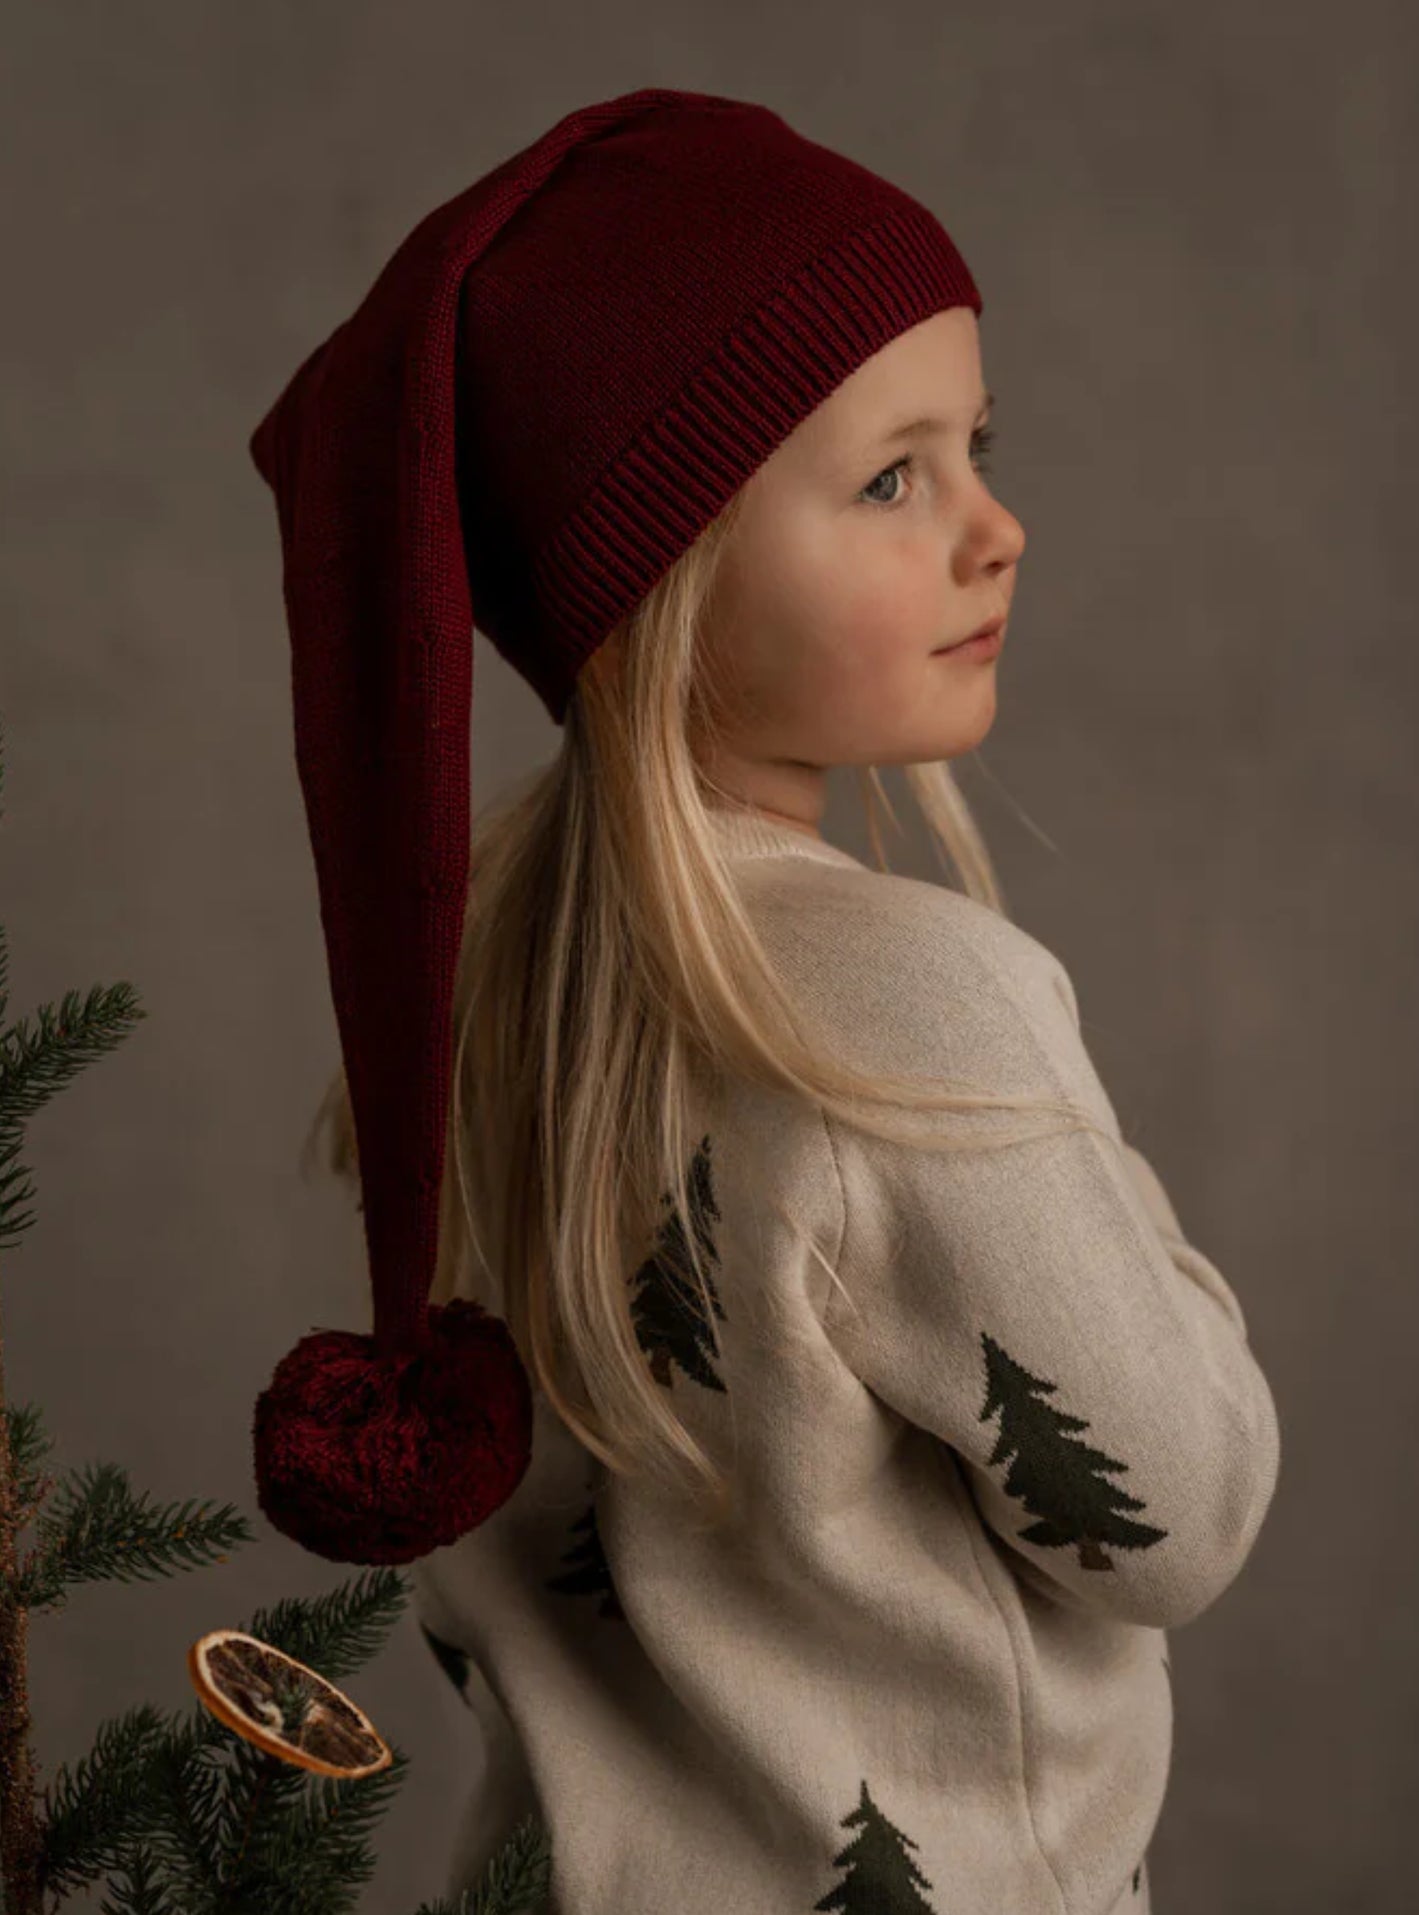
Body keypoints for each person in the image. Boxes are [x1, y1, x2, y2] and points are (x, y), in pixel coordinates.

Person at [251, 87, 1281, 1915]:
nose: (997, 528)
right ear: (664, 574)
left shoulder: (484, 977)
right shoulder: (905, 999)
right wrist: (1114, 1201)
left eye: (977, 444)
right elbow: (1174, 1519)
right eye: (894, 477)